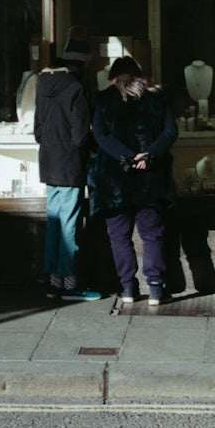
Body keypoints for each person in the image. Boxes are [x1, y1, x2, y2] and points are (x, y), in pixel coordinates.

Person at [92, 56, 178, 306]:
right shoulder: (158, 96)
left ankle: (128, 287)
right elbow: (170, 132)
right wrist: (149, 154)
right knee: (152, 234)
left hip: (114, 180)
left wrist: (127, 156)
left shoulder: (104, 98)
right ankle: (155, 287)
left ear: (113, 76)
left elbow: (100, 134)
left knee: (119, 236)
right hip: (150, 178)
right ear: (140, 74)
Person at [34, 33, 101, 302]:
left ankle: (54, 282)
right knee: (70, 224)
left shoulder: (42, 83)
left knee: (54, 223)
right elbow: (80, 135)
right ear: (85, 60)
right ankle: (70, 283)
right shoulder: (77, 88)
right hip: (71, 164)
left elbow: (38, 129)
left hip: (49, 161)